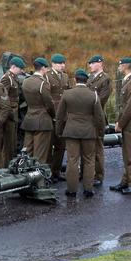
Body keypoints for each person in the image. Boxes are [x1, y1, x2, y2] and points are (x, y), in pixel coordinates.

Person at [56, 69, 105, 197]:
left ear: (75, 80)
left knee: (72, 160)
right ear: (87, 80)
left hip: (71, 131)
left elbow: (60, 115)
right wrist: (101, 132)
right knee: (89, 160)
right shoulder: (93, 95)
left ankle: (72, 190)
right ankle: (88, 189)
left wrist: (59, 131)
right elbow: (99, 117)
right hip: (89, 131)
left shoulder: (67, 94)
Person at [110, 57, 131, 195]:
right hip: (127, 124)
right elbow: (123, 107)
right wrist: (119, 121)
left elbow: (130, 107)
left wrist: (121, 124)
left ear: (125, 66)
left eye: (120, 65)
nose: (118, 67)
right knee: (126, 155)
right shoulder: (127, 81)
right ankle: (125, 182)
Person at [20, 57, 55, 164]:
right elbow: (49, 104)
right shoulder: (43, 83)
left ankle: (25, 176)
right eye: (46, 68)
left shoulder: (25, 81)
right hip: (42, 120)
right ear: (43, 68)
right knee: (40, 154)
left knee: (27, 152)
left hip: (29, 118)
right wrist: (53, 115)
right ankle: (39, 178)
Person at [86, 55, 112, 186]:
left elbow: (101, 100)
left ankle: (99, 175)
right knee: (87, 147)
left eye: (92, 63)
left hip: (97, 118)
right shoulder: (90, 78)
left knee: (97, 148)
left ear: (100, 63)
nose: (90, 65)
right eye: (89, 64)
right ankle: (87, 173)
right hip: (87, 117)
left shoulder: (105, 79)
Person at [47, 53, 71, 182]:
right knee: (49, 145)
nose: (62, 65)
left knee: (61, 145)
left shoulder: (66, 76)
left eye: (63, 63)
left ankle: (56, 171)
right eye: (59, 63)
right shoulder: (47, 76)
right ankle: (48, 172)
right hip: (51, 115)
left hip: (64, 115)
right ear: (53, 64)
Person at [0, 56, 25, 166]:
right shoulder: (7, 78)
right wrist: (9, 113)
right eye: (20, 68)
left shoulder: (14, 78)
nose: (21, 71)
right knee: (7, 143)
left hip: (14, 114)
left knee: (12, 143)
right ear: (13, 67)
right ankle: (5, 166)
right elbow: (3, 97)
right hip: (9, 114)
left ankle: (9, 164)